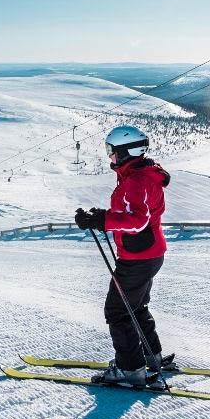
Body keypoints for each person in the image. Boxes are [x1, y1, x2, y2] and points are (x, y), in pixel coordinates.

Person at [75, 125, 171, 387]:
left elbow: (138, 220)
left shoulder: (136, 180)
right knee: (135, 306)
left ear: (127, 151)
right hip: (149, 252)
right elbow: (132, 212)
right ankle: (152, 357)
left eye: (112, 151)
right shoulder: (141, 174)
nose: (110, 157)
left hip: (138, 257)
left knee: (117, 311)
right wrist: (100, 216)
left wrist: (103, 220)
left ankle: (130, 370)